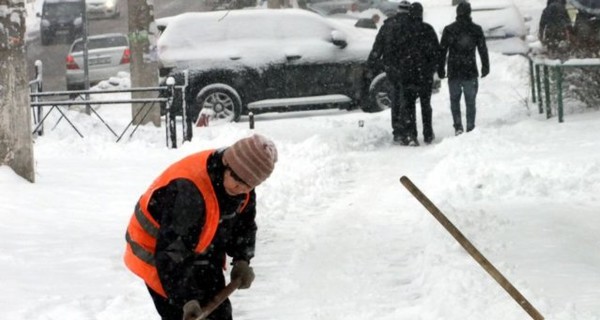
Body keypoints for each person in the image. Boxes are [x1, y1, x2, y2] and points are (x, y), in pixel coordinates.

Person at [123, 134, 278, 320]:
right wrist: (186, 299)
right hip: (157, 253)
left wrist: (242, 259)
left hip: (199, 247)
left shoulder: (243, 185)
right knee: (180, 313)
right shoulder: (189, 191)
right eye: (237, 180)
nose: (240, 188)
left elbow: (244, 225)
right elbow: (172, 252)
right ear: (226, 164)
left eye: (249, 185)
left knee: (219, 315)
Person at [438, 1, 489, 135]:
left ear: (457, 13)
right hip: (470, 70)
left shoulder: (449, 29)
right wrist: (485, 66)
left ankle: (458, 126)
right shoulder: (476, 29)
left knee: (455, 100)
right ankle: (470, 126)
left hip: (454, 70)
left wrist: (440, 68)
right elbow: (482, 49)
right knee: (470, 101)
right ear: (469, 13)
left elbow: (442, 51)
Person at [367, 0, 413, 144]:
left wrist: (371, 64)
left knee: (396, 98)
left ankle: (397, 131)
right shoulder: (413, 25)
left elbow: (377, 48)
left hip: (392, 68)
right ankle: (409, 130)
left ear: (398, 11)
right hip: (410, 68)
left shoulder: (387, 26)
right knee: (408, 99)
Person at [400, 2, 441, 145]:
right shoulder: (428, 29)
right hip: (424, 74)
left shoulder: (403, 31)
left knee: (409, 105)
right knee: (426, 104)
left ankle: (411, 135)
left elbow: (397, 52)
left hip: (407, 74)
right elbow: (437, 51)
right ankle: (428, 134)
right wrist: (433, 68)